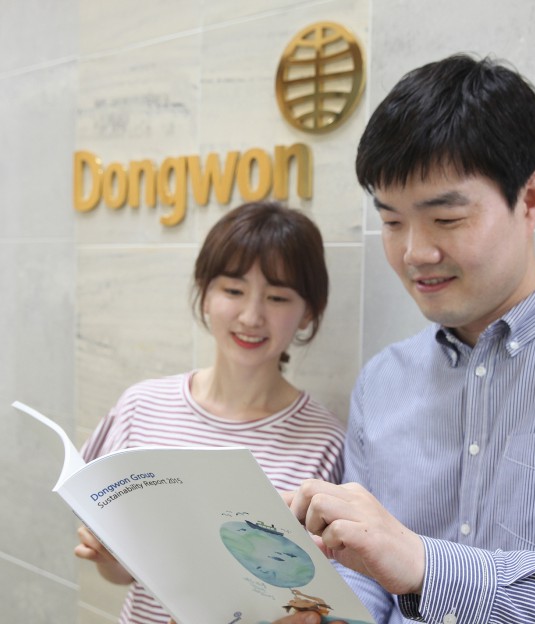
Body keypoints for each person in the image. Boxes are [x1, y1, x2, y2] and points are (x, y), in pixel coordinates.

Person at [285, 54, 535, 623]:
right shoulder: (382, 381)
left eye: (446, 219)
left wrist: (428, 568)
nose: (414, 253)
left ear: (529, 198)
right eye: (392, 221)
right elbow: (368, 581)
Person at [75, 201, 346, 624]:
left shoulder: (325, 442)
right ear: (205, 292)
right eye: (233, 291)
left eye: (277, 297)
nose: (251, 317)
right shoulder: (140, 406)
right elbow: (121, 574)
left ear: (308, 310)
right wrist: (108, 558)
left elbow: (319, 601)